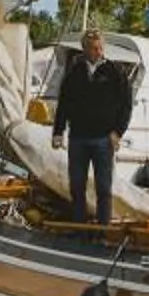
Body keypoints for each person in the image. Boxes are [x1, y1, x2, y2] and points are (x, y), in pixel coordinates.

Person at [50, 27, 135, 225]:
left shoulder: (115, 71)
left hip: (104, 138)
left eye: (99, 48)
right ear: (84, 49)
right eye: (93, 48)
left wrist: (118, 132)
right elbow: (64, 102)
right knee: (77, 186)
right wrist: (58, 132)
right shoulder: (75, 72)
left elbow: (126, 105)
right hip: (78, 137)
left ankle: (103, 229)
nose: (97, 52)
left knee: (103, 187)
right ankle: (80, 227)